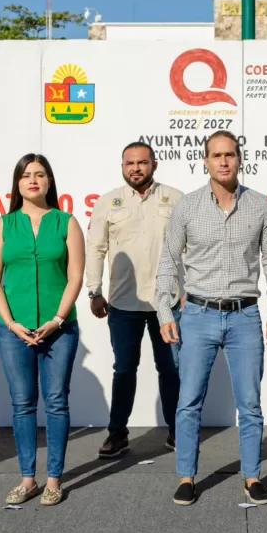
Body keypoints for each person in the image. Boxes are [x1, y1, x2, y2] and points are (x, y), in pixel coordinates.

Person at [156, 130, 267, 507]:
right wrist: (165, 309)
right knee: (189, 400)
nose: (224, 161)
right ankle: (186, 477)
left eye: (230, 154)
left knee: (250, 402)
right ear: (206, 161)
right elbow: (169, 260)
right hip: (197, 314)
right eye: (217, 155)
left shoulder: (260, 205)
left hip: (245, 316)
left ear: (240, 159)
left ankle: (252, 477)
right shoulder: (187, 207)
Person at [0, 153, 84, 507]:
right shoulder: (4, 225)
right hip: (14, 330)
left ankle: (54, 480)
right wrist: (11, 323)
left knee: (56, 403)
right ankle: (28, 479)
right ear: (17, 183)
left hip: (59, 328)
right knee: (23, 404)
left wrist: (57, 319)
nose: (33, 180)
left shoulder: (67, 222)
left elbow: (75, 276)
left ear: (49, 181)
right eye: (26, 175)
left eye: (40, 174)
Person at [86, 142, 183, 459]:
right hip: (122, 303)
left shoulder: (176, 198)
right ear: (122, 165)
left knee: (170, 369)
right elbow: (96, 248)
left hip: (167, 304)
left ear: (154, 164)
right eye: (130, 163)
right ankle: (117, 434)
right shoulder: (107, 202)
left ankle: (176, 430)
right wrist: (94, 290)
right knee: (124, 369)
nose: (136, 168)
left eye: (142, 162)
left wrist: (188, 289)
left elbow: (193, 247)